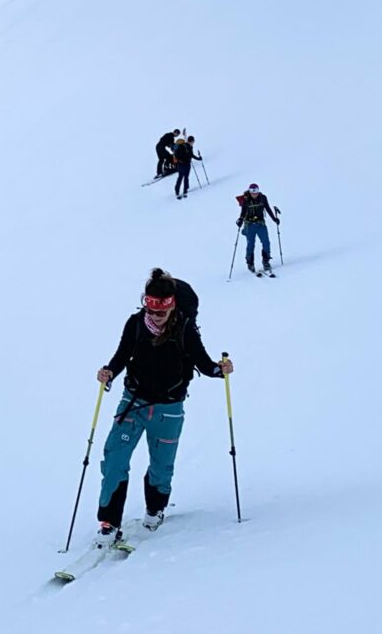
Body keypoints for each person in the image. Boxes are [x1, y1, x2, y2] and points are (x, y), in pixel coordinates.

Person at [92, 269, 232, 542]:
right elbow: (122, 354)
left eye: (160, 311)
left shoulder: (185, 329)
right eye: (150, 309)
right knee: (114, 459)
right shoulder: (135, 324)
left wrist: (220, 370)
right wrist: (109, 371)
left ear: (171, 305)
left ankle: (155, 510)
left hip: (168, 409)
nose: (154, 316)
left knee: (161, 467)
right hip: (133, 403)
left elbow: (203, 363)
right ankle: (108, 522)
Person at [236, 182, 282, 275]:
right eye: (253, 192)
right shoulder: (246, 200)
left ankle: (266, 261)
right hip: (249, 225)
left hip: (260, 224)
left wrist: (274, 219)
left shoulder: (263, 198)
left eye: (256, 192)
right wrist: (240, 220)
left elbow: (268, 209)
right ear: (250, 192)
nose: (254, 194)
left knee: (266, 242)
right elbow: (243, 212)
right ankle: (250, 263)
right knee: (251, 244)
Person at [171, 134, 201, 198]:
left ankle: (183, 190)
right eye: (193, 142)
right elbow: (191, 155)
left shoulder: (187, 146)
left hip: (184, 164)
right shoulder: (185, 146)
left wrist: (198, 158)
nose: (193, 143)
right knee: (183, 177)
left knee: (183, 177)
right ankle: (180, 190)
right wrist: (198, 159)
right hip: (183, 164)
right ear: (191, 141)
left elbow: (191, 155)